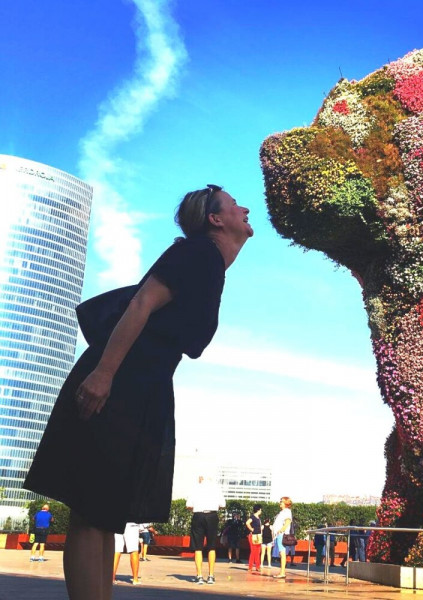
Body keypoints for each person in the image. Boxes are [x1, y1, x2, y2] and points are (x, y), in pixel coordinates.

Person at [23, 185, 253, 600]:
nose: (246, 208)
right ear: (215, 219)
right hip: (120, 382)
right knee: (90, 512)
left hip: (141, 385)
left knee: (103, 514)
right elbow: (141, 304)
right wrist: (104, 374)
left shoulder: (209, 264)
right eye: (236, 204)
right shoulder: (198, 253)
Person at [186, 474, 226, 585]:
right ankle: (211, 576)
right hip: (212, 516)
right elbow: (223, 504)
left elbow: (188, 505)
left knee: (198, 547)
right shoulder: (216, 488)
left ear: (201, 479)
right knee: (211, 546)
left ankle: (199, 576)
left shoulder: (195, 488)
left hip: (198, 515)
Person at [272, 496, 293, 579]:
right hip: (279, 534)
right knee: (281, 553)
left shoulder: (287, 511)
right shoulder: (283, 512)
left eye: (281, 501)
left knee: (282, 553)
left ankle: (282, 572)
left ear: (286, 503)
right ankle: (282, 572)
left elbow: (288, 522)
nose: (280, 503)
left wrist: (281, 530)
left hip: (281, 534)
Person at [246, 504, 262, 572]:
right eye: (260, 510)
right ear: (258, 510)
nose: (261, 511)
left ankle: (257, 566)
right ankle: (250, 567)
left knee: (258, 551)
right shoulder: (253, 517)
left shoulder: (258, 518)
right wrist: (251, 529)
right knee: (253, 551)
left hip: (258, 535)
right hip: (253, 536)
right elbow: (247, 523)